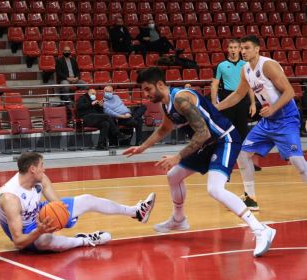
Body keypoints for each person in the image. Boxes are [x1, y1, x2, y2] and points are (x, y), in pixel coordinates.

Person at [123, 67, 275, 257]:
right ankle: (179, 220)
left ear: (160, 84)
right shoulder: (167, 104)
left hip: (224, 139)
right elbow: (164, 129)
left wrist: (177, 157)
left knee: (215, 189)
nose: (145, 94)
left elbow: (203, 133)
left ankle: (260, 229)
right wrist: (142, 148)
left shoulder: (182, 100)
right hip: (207, 144)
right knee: (174, 176)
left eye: (147, 89)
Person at [216, 35, 307, 210]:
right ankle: (250, 198)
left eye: (247, 48)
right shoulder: (245, 70)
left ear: (257, 49)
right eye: (241, 48)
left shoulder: (268, 65)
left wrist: (273, 108)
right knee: (243, 154)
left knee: (298, 164)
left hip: (286, 118)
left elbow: (290, 92)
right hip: (268, 121)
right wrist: (216, 108)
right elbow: (237, 95)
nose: (243, 51)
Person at [0, 152, 156, 252]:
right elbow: (18, 242)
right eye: (42, 166)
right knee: (46, 241)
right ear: (32, 169)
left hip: (38, 214)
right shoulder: (11, 198)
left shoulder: (40, 178)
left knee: (86, 200)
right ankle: (84, 240)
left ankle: (137, 212)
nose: (44, 169)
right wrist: (40, 230)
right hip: (27, 233)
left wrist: (64, 216)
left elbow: (58, 204)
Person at [211, 39, 263, 187]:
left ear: (240, 50)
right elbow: (215, 85)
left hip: (243, 101)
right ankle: (224, 167)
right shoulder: (221, 65)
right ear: (227, 49)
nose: (233, 50)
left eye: (236, 47)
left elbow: (251, 86)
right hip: (228, 100)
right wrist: (215, 103)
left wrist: (253, 103)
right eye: (231, 47)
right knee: (226, 134)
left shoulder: (245, 65)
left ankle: (248, 163)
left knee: (243, 133)